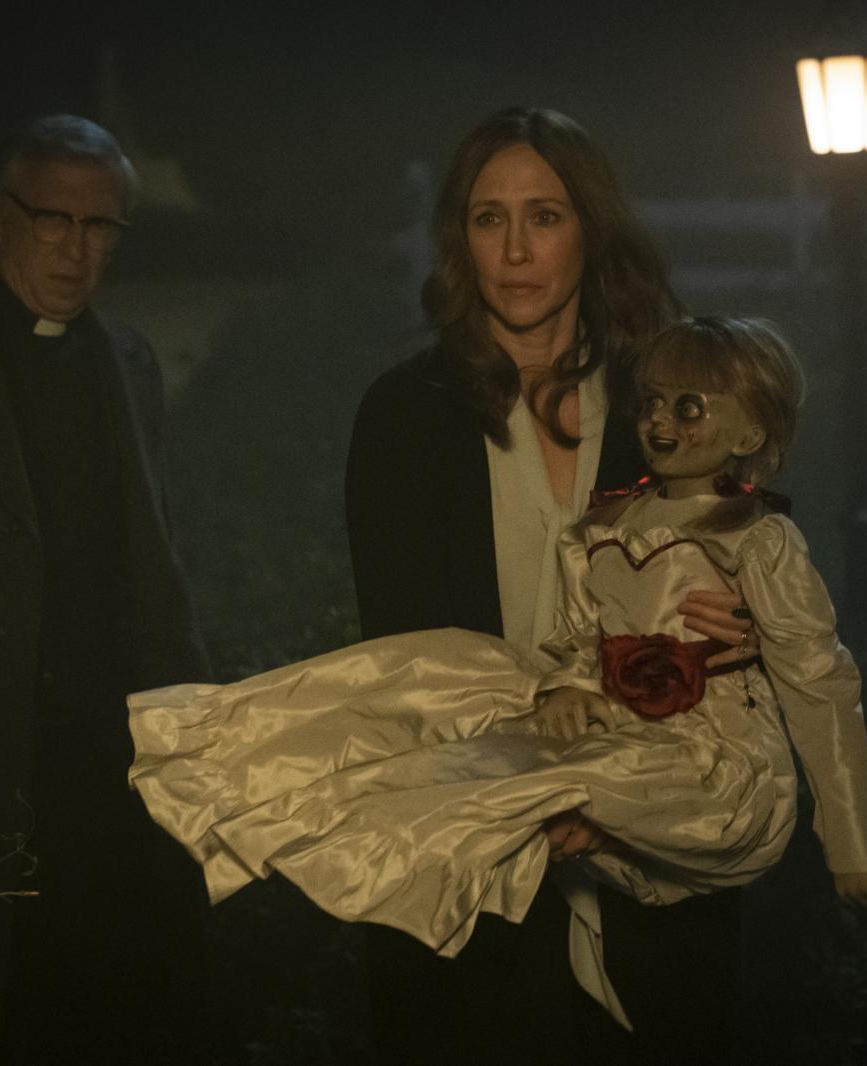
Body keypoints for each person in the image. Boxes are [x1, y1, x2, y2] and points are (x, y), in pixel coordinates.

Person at [129, 317, 867, 1061]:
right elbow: (577, 634)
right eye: (654, 403)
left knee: (559, 778)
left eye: (687, 408)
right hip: (625, 743)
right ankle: (267, 771)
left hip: (717, 769)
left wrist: (853, 844)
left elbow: (819, 681)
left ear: (749, 432)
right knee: (465, 671)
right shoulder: (607, 527)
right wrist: (568, 684)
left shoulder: (757, 539)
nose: (661, 421)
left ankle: (500, 812)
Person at [341, 106, 753, 1063]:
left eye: (546, 216)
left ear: (591, 230)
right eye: (490, 218)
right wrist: (547, 790)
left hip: (656, 857)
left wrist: (744, 632)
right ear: (461, 240)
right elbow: (411, 657)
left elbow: (735, 608)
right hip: (471, 859)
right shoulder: (404, 415)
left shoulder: (675, 404)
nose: (517, 250)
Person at [0, 114, 211, 1066]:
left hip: (108, 778)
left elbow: (154, 560)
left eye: (100, 225)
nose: (75, 248)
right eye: (53, 219)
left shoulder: (130, 360)